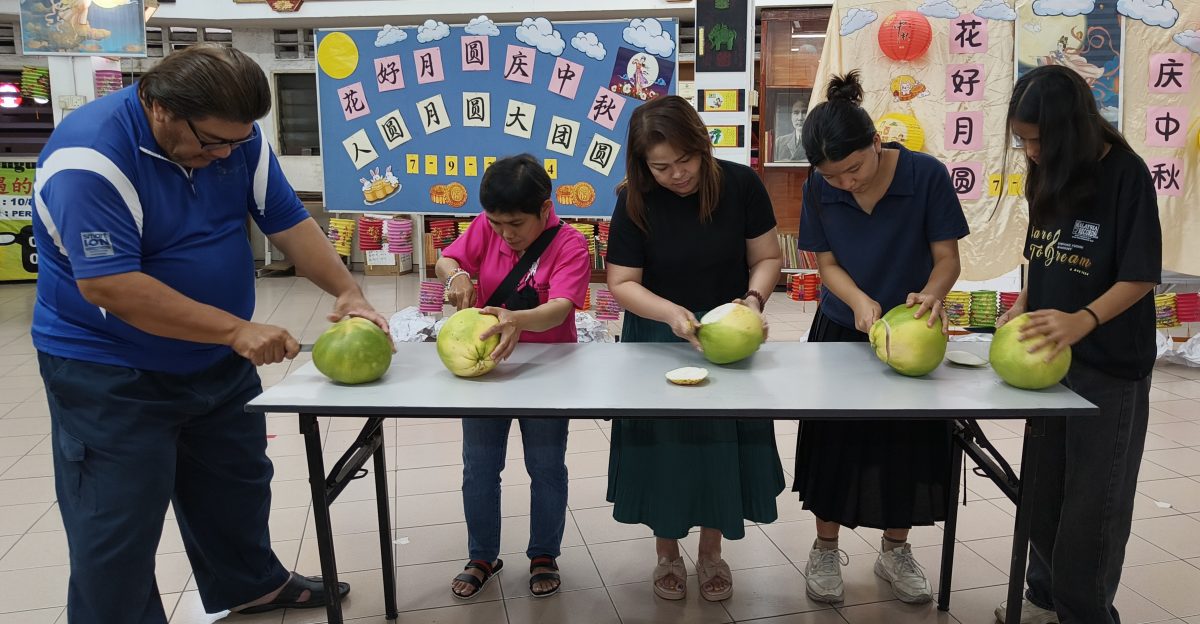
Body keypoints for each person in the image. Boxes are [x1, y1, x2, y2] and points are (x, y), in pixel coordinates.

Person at [31, 45, 390, 623]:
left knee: (236, 483)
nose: (225, 153)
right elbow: (112, 287)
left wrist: (348, 291)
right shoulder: (90, 160)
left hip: (214, 363)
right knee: (115, 521)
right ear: (162, 108)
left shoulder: (237, 141)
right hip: (110, 373)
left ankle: (250, 585)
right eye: (211, 142)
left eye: (236, 140)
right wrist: (236, 330)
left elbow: (288, 220)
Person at [793, 71, 969, 605]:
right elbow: (825, 263)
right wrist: (858, 301)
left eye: (854, 169)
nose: (847, 183)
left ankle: (896, 550)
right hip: (843, 328)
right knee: (834, 443)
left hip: (913, 331)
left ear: (876, 142)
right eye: (832, 177)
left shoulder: (926, 175)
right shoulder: (820, 186)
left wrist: (930, 296)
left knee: (907, 445)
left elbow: (947, 259)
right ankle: (825, 550)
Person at [994, 65, 1161, 624]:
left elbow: (1140, 275)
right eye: (1022, 139)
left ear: (1071, 130)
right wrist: (1021, 306)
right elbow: (1041, 254)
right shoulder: (1044, 172)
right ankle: (1044, 595)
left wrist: (1082, 320)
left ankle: (1084, 614)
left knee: (1094, 506)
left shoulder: (1125, 174)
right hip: (1047, 363)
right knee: (1042, 495)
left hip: (1108, 368)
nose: (1030, 151)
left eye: (1038, 139)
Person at [604, 95, 784, 602]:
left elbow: (768, 256)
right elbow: (621, 280)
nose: (676, 175)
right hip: (659, 338)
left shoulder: (740, 184)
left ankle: (710, 553)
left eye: (685, 161)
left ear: (703, 147)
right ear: (642, 164)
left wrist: (751, 302)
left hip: (727, 335)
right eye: (660, 167)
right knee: (665, 452)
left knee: (719, 448)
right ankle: (666, 554)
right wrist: (669, 314)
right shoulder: (634, 198)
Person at [435, 154, 591, 600]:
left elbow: (560, 307)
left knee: (545, 467)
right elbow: (448, 259)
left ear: (545, 208)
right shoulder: (488, 228)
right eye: (496, 223)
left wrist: (516, 320)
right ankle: (482, 554)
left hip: (547, 371)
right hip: (487, 373)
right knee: (480, 467)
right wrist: (459, 274)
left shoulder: (570, 244)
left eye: (516, 224)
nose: (505, 233)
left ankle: (544, 552)